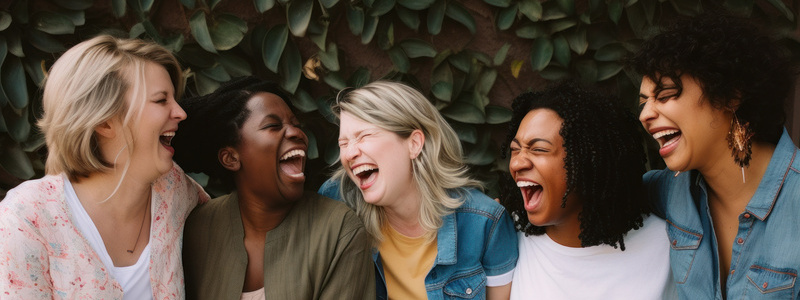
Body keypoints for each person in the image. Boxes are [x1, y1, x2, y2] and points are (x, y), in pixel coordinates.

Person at [0, 35, 209, 298]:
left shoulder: (176, 193)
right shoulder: (26, 219)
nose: (181, 112)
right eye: (160, 100)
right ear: (105, 122)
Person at [628, 13, 800, 298]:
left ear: (729, 96)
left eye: (665, 94)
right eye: (643, 102)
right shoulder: (669, 191)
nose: (645, 114)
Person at [172, 76, 375, 299]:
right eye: (273, 126)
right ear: (230, 158)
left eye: (296, 125)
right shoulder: (198, 229)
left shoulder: (338, 229)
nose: (296, 133)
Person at [318, 81, 518, 300]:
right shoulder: (336, 203)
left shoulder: (484, 224)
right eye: (343, 143)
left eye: (364, 136)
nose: (349, 154)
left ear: (414, 144)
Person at [500, 81, 675, 299]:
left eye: (539, 149)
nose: (517, 164)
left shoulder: (670, 245)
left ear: (590, 161)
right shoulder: (504, 236)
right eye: (515, 150)